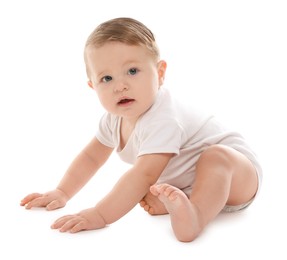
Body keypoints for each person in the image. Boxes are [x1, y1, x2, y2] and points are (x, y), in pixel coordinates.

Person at [20, 17, 262, 242]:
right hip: (190, 183)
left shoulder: (163, 118)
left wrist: (100, 214)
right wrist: (62, 192)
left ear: (159, 73)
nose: (120, 86)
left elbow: (143, 175)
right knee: (152, 190)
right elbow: (91, 157)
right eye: (106, 78)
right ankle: (183, 200)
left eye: (132, 71)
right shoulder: (114, 119)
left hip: (237, 178)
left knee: (214, 157)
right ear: (92, 86)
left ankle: (195, 216)